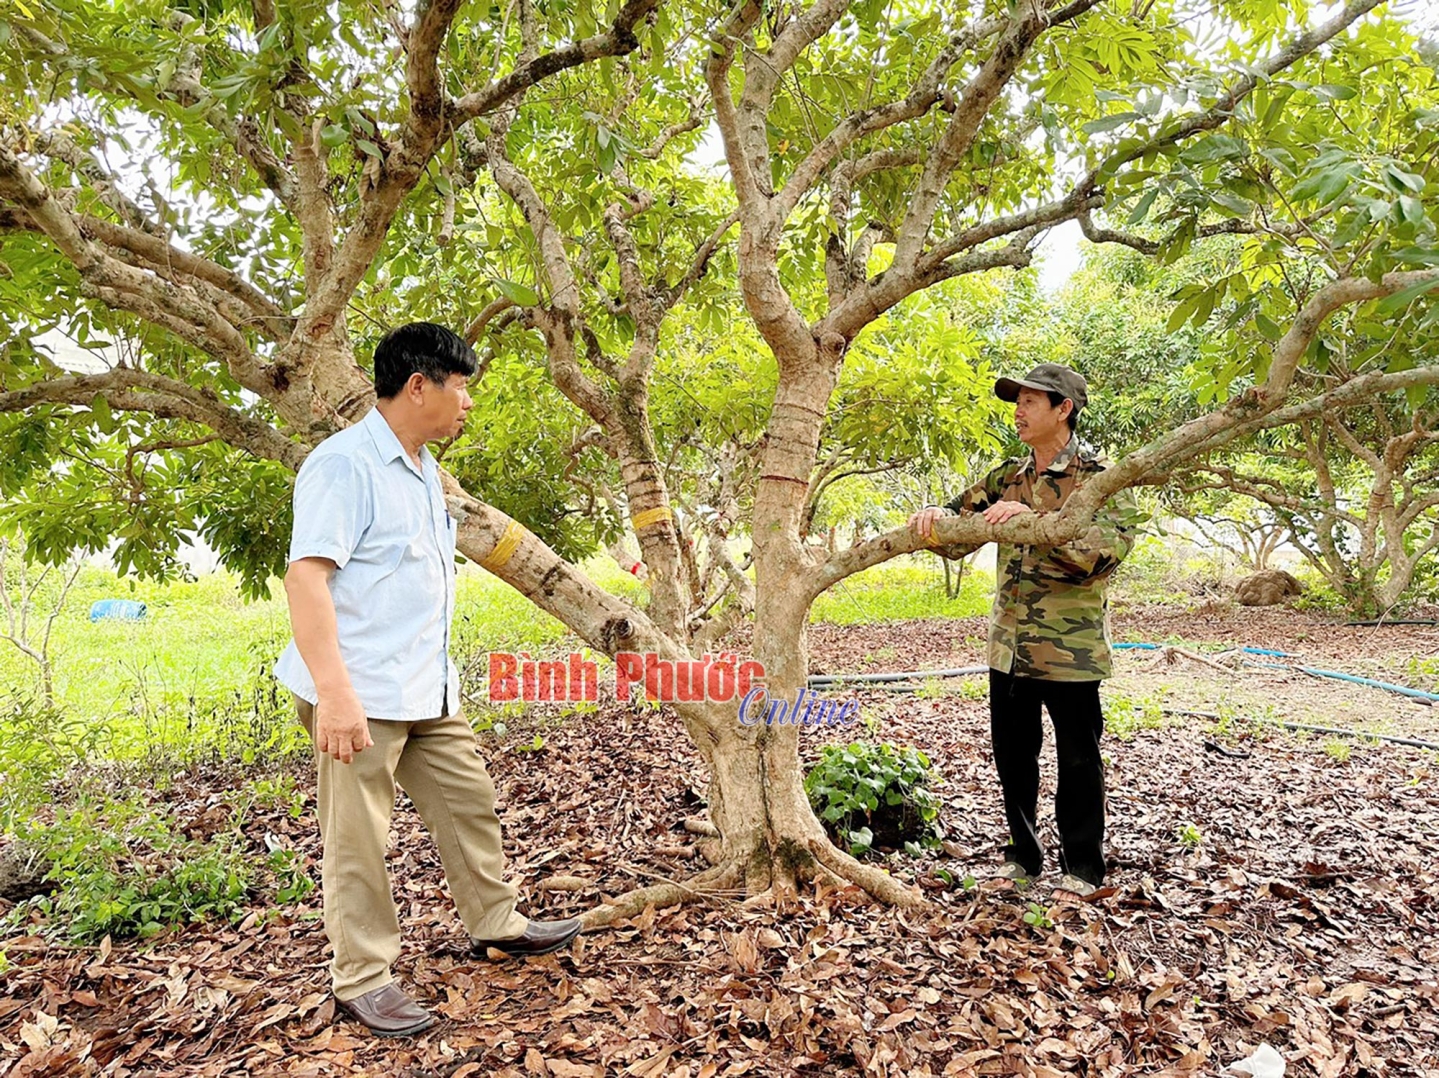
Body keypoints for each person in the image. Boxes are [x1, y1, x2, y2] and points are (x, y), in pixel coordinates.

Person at [275, 322, 580, 1037]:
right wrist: (336, 694)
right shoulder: (344, 465)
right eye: (461, 386)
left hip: (423, 687)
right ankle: (362, 978)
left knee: (468, 801)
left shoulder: (418, 466)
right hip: (358, 690)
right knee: (358, 839)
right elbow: (306, 578)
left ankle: (496, 920)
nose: (467, 402)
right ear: (419, 386)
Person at [909, 363, 1138, 899]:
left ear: (1064, 409)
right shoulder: (1006, 476)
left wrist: (1031, 522)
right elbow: (960, 527)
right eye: (1018, 401)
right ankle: (1023, 858)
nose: (1019, 410)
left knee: (1078, 760)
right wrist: (934, 517)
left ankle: (1082, 868)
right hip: (1008, 648)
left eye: (1032, 401)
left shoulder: (1100, 479)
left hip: (1069, 651)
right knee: (1013, 756)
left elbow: (1101, 557)